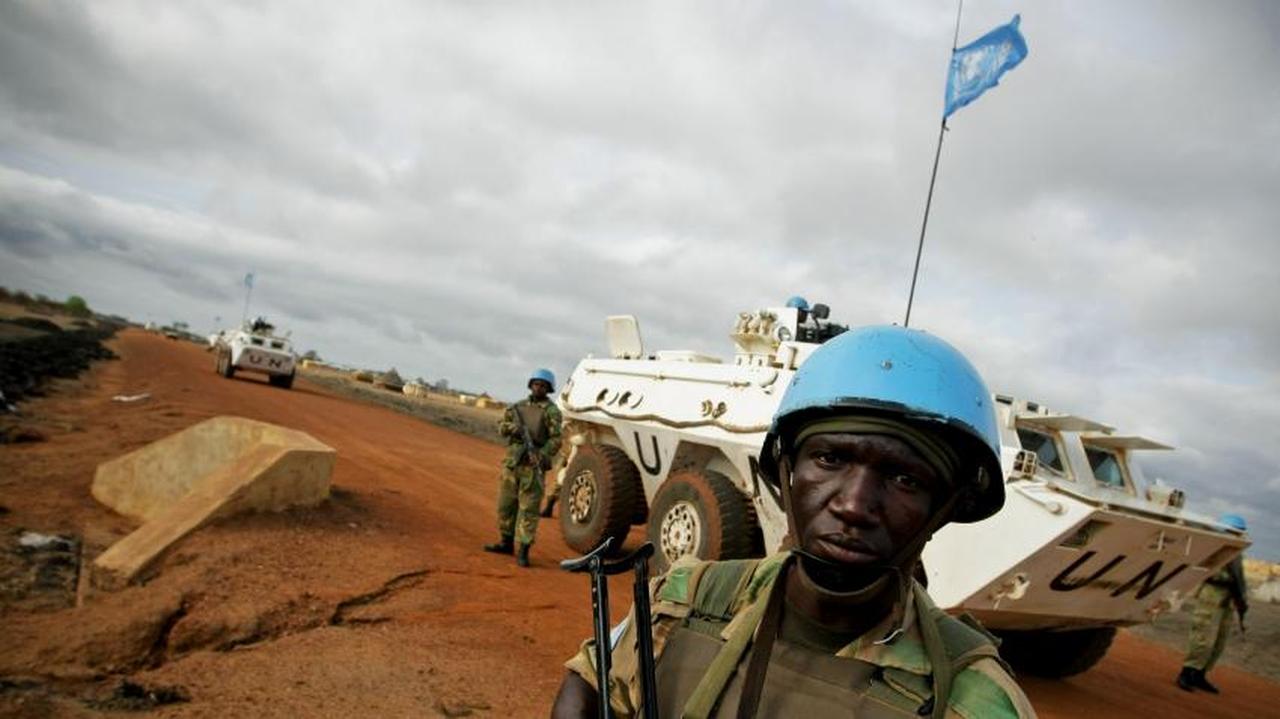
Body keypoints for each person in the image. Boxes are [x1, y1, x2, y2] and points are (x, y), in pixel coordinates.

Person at [551, 325, 1034, 718]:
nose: (854, 504)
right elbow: (591, 681)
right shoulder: (686, 600)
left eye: (906, 478)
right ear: (785, 471)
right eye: (828, 459)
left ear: (945, 507)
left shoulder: (973, 699)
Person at [483, 368, 562, 568]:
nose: (539, 388)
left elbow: (556, 439)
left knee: (529, 509)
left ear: (549, 389)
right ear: (530, 385)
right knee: (506, 505)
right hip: (512, 464)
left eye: (543, 385)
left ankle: (524, 551)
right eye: (536, 384)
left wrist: (542, 454)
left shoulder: (552, 412)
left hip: (532, 467)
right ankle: (506, 543)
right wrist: (514, 428)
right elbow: (502, 427)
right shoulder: (517, 407)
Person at [1176, 513, 1249, 694]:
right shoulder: (1213, 547)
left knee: (1219, 640)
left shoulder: (1237, 553)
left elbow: (1239, 579)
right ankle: (1187, 672)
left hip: (1228, 598)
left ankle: (1200, 674)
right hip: (1211, 594)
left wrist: (1241, 600)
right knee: (1202, 637)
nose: (1237, 535)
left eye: (1239, 532)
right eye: (1234, 531)